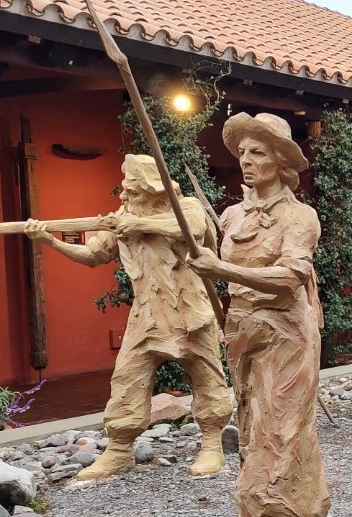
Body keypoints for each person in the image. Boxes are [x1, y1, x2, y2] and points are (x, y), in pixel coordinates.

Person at [189, 114, 330, 517]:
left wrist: (220, 268)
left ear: (281, 161)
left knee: (281, 436)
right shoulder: (231, 216)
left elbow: (289, 279)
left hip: (286, 336)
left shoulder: (300, 216)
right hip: (243, 334)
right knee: (253, 433)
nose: (247, 161)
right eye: (243, 153)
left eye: (259, 153)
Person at [25, 154, 230, 481]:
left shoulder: (185, 207)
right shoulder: (122, 219)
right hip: (146, 316)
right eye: (125, 189)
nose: (123, 195)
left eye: (132, 190)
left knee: (208, 379)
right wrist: (48, 240)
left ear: (152, 189)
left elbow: (192, 229)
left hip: (190, 312)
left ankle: (211, 444)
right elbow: (92, 255)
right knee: (127, 379)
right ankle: (119, 450)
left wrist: (139, 225)